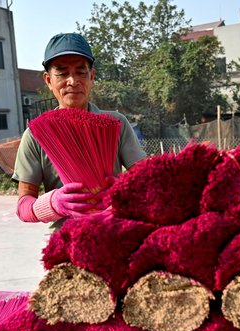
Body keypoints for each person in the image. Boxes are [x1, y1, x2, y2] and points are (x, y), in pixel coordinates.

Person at [13, 33, 147, 229]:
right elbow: (23, 207)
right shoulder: (35, 135)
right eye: (62, 73)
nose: (72, 81)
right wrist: (53, 203)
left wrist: (122, 194)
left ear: (91, 76)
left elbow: (145, 178)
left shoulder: (116, 124)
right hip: (66, 241)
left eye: (80, 72)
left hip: (116, 230)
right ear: (48, 80)